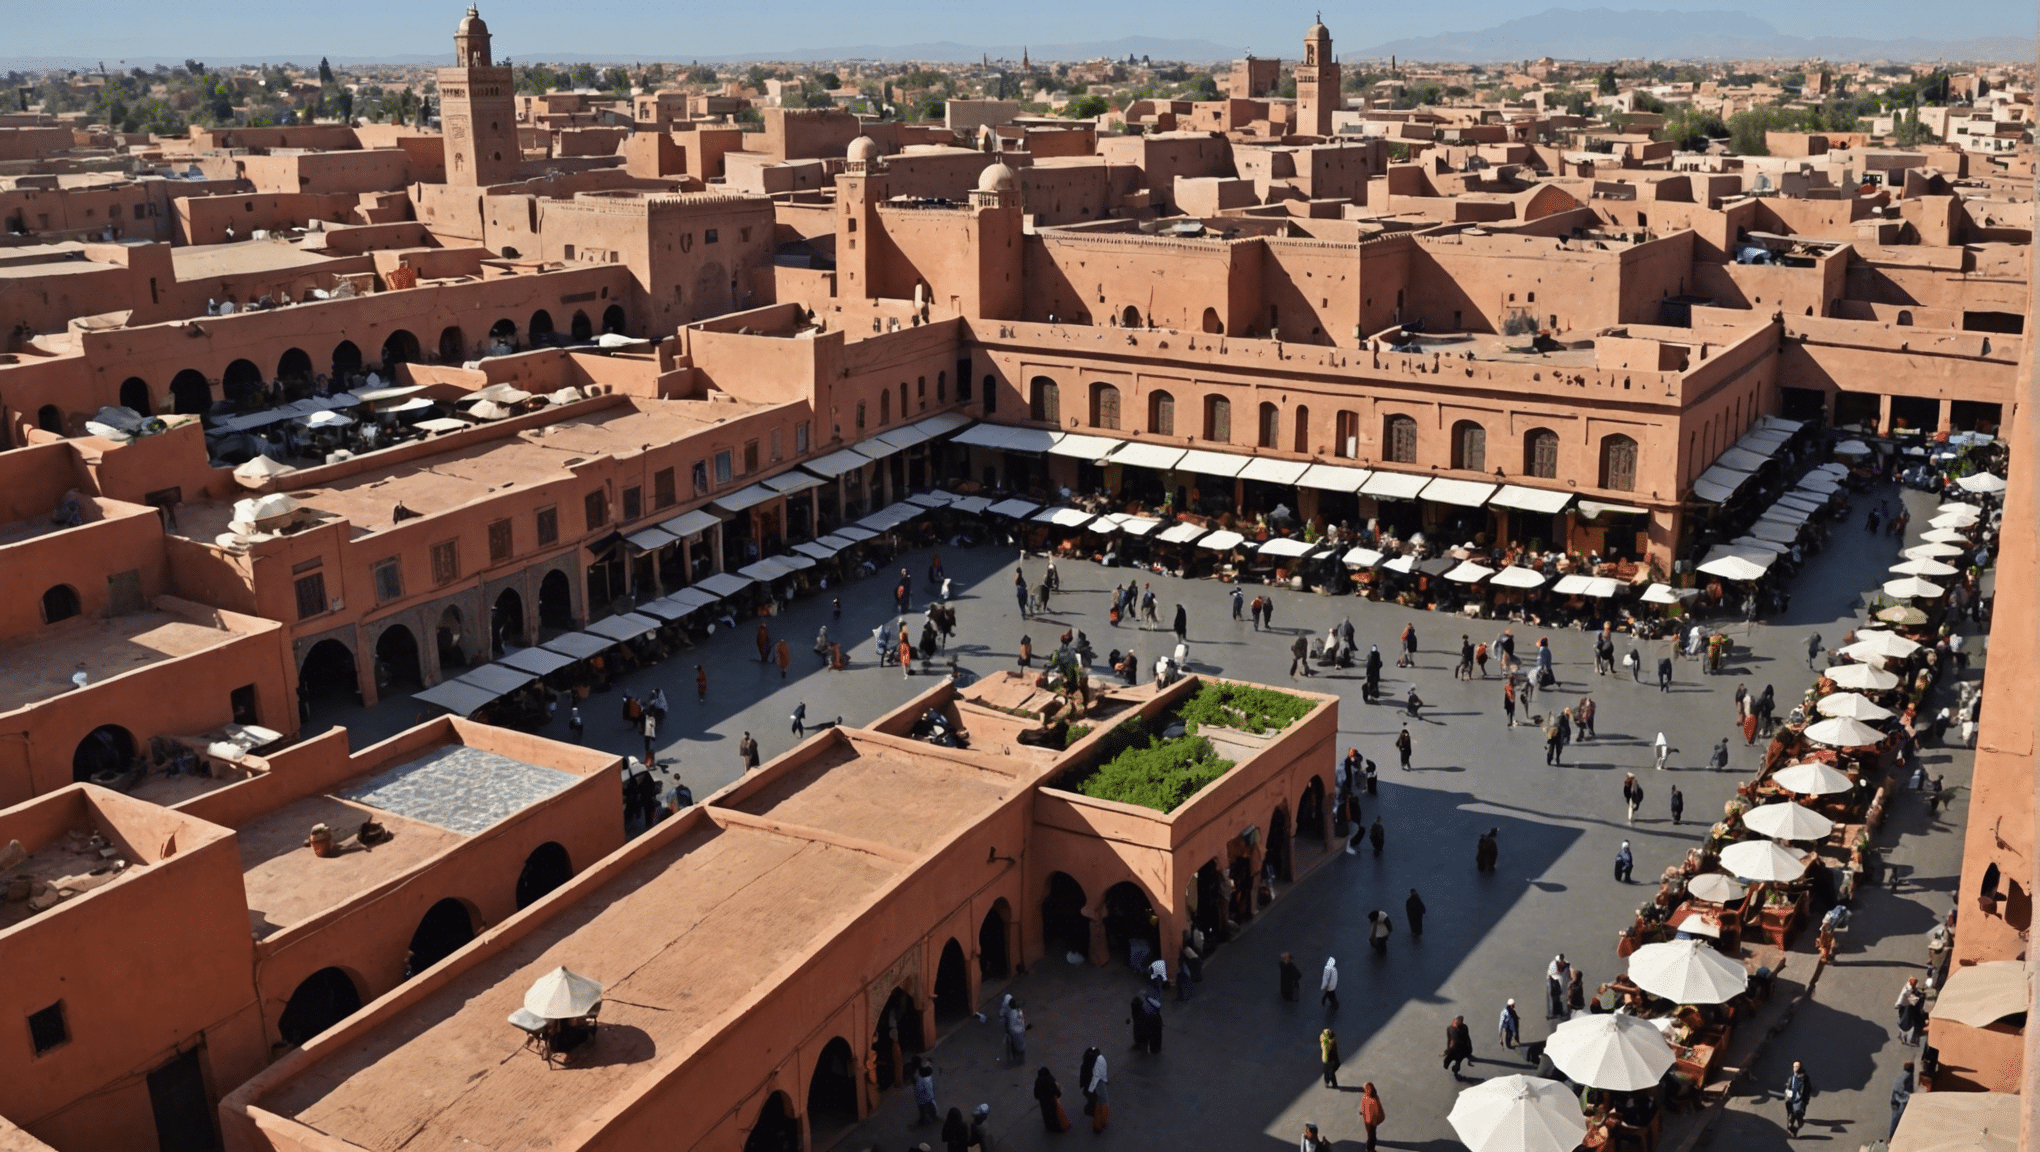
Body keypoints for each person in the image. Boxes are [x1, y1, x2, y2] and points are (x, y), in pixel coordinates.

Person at [1783, 1060, 1812, 1137]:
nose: (1796, 1068)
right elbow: (1788, 1088)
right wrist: (1787, 1097)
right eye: (1795, 1066)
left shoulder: (1804, 1078)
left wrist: (1805, 1099)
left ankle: (1796, 1126)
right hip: (1791, 1101)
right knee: (1791, 1116)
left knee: (1798, 1115)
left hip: (1800, 1101)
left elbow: (1807, 1089)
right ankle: (1792, 1128)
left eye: (1797, 1066)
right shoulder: (1791, 1078)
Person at [1084, 1048, 1109, 1132]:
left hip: (1091, 1087)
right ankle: (1101, 1123)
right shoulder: (1099, 1063)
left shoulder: (1086, 1064)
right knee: (1102, 1103)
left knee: (1096, 1104)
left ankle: (1097, 1125)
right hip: (1098, 1086)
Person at [1896, 976, 1925, 1045]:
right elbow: (1916, 1003)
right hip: (1909, 1015)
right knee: (1908, 1028)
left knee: (1903, 1026)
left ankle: (1902, 1037)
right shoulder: (1912, 994)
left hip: (1903, 1013)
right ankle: (1908, 1040)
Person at [1358, 1082, 1385, 1152]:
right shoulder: (1374, 1098)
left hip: (1368, 1120)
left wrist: (1362, 1111)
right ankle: (1370, 1149)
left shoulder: (1366, 1096)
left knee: (1370, 1134)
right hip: (1372, 1121)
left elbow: (1363, 1106)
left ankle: (1369, 1148)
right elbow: (1379, 1110)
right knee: (1372, 1135)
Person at [1891, 1060, 1915, 1138]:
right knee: (1898, 1120)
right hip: (1900, 1101)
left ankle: (1891, 1137)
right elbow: (1906, 1094)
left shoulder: (1901, 1076)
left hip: (1894, 1099)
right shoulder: (1909, 1077)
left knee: (1895, 1119)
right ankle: (1893, 1138)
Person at [913, 1059, 940, 1124]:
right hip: (928, 1098)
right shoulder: (927, 1077)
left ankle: (925, 1120)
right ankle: (931, 1118)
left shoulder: (919, 1078)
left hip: (924, 1099)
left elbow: (918, 1090)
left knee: (924, 1109)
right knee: (930, 1108)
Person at [1546, 954, 1570, 1019]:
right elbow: (1551, 975)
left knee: (1562, 998)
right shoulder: (1553, 966)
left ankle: (1562, 1012)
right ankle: (1554, 1012)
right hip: (1554, 982)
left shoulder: (1566, 965)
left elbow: (1568, 975)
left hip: (1561, 983)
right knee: (1554, 998)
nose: (1561, 962)